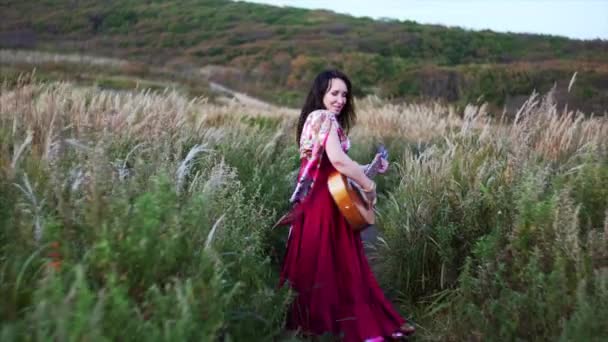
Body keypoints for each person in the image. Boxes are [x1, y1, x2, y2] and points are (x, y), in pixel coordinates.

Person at [278, 69, 415, 341]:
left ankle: (318, 324)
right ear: (321, 94)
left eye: (344, 95)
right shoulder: (325, 117)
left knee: (324, 261)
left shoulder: (313, 118)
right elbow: (339, 162)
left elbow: (334, 165)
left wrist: (370, 168)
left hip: (318, 198)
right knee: (339, 262)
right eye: (334, 93)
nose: (340, 100)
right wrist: (368, 186)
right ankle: (344, 324)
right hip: (325, 202)